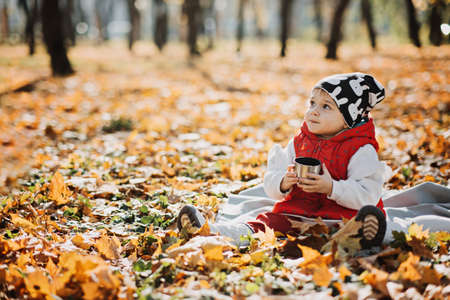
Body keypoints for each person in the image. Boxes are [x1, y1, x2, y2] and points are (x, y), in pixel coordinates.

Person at [178, 72, 389, 249]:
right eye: (312, 103)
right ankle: (211, 232)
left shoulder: (360, 150)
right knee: (264, 224)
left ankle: (366, 235)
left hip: (339, 216)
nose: (314, 111)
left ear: (350, 118)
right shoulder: (299, 142)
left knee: (351, 227)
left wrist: (331, 187)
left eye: (326, 107)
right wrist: (283, 182)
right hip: (295, 213)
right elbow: (271, 181)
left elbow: (367, 194)